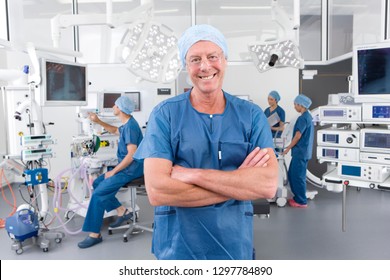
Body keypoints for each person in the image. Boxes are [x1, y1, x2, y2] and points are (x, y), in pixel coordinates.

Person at [133, 24, 278, 260]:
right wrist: (238, 184)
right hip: (177, 247)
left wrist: (192, 175)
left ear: (225, 60)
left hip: (232, 244)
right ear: (185, 66)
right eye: (195, 59)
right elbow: (158, 190)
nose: (205, 66)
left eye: (213, 56)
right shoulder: (165, 114)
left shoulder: (251, 116)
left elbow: (267, 186)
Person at [78, 96, 144, 249]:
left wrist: (113, 171)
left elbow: (131, 155)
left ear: (119, 109)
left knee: (99, 193)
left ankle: (95, 234)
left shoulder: (132, 127)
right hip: (126, 166)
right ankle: (122, 210)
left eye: (115, 105)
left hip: (131, 169)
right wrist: (98, 121)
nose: (113, 106)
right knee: (97, 183)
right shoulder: (127, 123)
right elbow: (115, 130)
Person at [282, 94, 314, 208]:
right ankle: (297, 197)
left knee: (298, 176)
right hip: (302, 152)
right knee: (292, 174)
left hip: (300, 152)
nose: (294, 107)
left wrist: (287, 149)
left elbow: (297, 136)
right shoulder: (308, 117)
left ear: (300, 105)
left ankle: (301, 201)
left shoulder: (303, 118)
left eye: (295, 104)